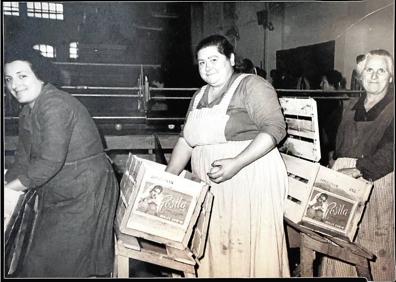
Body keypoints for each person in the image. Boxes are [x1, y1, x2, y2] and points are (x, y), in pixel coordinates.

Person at [165, 34, 290, 277]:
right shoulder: (199, 95)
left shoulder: (251, 85)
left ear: (231, 59)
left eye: (214, 59)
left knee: (247, 249)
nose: (207, 67)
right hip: (212, 186)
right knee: (216, 246)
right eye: (202, 62)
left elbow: (275, 128)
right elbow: (186, 140)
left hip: (250, 178)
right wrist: (168, 178)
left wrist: (236, 163)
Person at [4, 48, 120, 277]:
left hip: (84, 191)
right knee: (36, 260)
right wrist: (5, 185)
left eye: (22, 75)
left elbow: (49, 162)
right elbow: (23, 159)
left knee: (61, 264)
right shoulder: (27, 111)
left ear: (40, 74)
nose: (15, 85)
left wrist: (8, 190)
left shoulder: (54, 105)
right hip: (60, 189)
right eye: (8, 79)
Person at [320, 49, 394, 281]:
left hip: (378, 180)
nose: (374, 76)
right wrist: (333, 161)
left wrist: (360, 169)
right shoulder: (351, 105)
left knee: (374, 242)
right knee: (339, 241)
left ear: (390, 77)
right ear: (361, 76)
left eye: (381, 70)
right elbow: (338, 144)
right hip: (343, 180)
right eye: (369, 70)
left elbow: (392, 151)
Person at [318, 69, 345, 166]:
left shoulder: (330, 102)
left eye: (324, 82)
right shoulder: (338, 99)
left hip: (329, 146)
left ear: (332, 84)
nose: (321, 85)